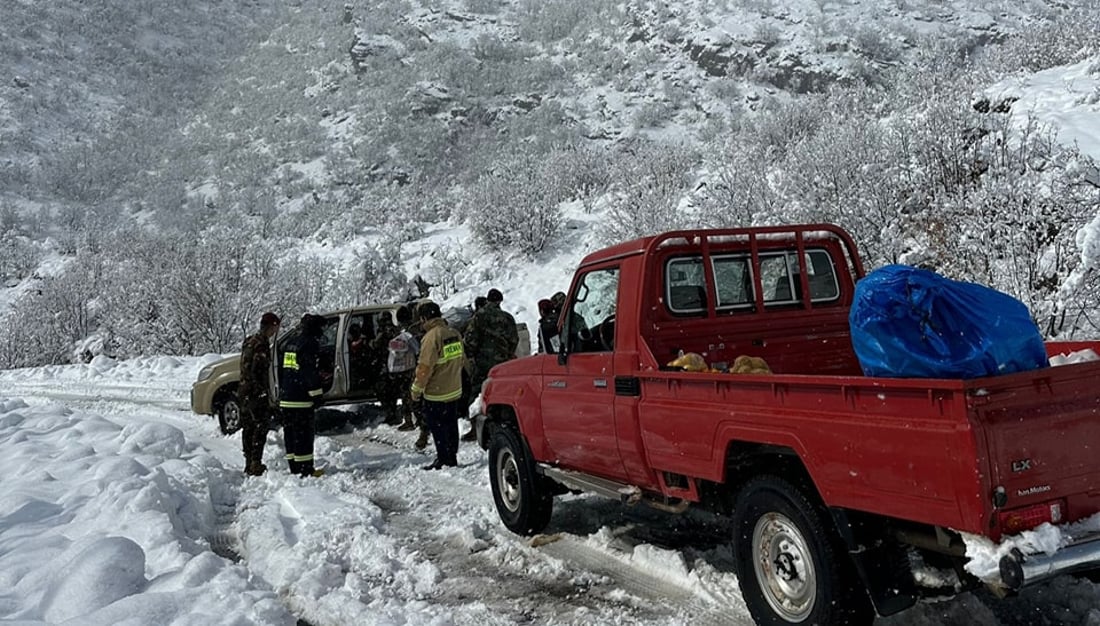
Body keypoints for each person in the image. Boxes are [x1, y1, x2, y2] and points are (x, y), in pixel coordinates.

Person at [410, 302, 466, 470]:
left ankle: (443, 458)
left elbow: (425, 368)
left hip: (436, 392)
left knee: (438, 427)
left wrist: (416, 390)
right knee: (451, 424)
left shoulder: (431, 337)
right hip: (454, 388)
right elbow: (462, 359)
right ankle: (452, 456)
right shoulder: (454, 333)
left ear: (425, 318)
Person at [460, 288, 518, 441]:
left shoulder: (479, 316)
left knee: (476, 393)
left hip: (483, 362)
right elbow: (514, 340)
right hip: (502, 363)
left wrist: (471, 355)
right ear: (500, 300)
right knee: (500, 392)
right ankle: (501, 425)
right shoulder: (508, 318)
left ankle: (475, 429)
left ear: (487, 300)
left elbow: (470, 339)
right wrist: (505, 354)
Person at [277, 313, 325, 477]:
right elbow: (309, 372)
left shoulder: (291, 343)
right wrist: (317, 395)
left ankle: (294, 468)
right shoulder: (309, 344)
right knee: (303, 436)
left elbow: (287, 370)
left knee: (290, 435)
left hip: (287, 397)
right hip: (301, 400)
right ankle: (306, 469)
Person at [239, 311, 280, 476]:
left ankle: (248, 462)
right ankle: (255, 463)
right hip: (255, 391)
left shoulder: (250, 340)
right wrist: (262, 391)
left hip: (243, 390)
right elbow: (258, 369)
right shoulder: (261, 344)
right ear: (272, 326)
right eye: (276, 327)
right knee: (260, 427)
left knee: (248, 427)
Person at [388, 305, 421, 432]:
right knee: (411, 395)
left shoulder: (403, 333)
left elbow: (414, 350)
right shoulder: (412, 331)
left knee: (407, 396)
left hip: (405, 369)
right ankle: (415, 419)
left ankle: (410, 421)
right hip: (410, 368)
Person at [370, 314, 402, 425]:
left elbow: (375, 345)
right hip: (396, 365)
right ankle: (393, 412)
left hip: (386, 365)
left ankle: (391, 414)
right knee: (392, 391)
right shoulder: (395, 330)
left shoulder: (383, 332)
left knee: (383, 391)